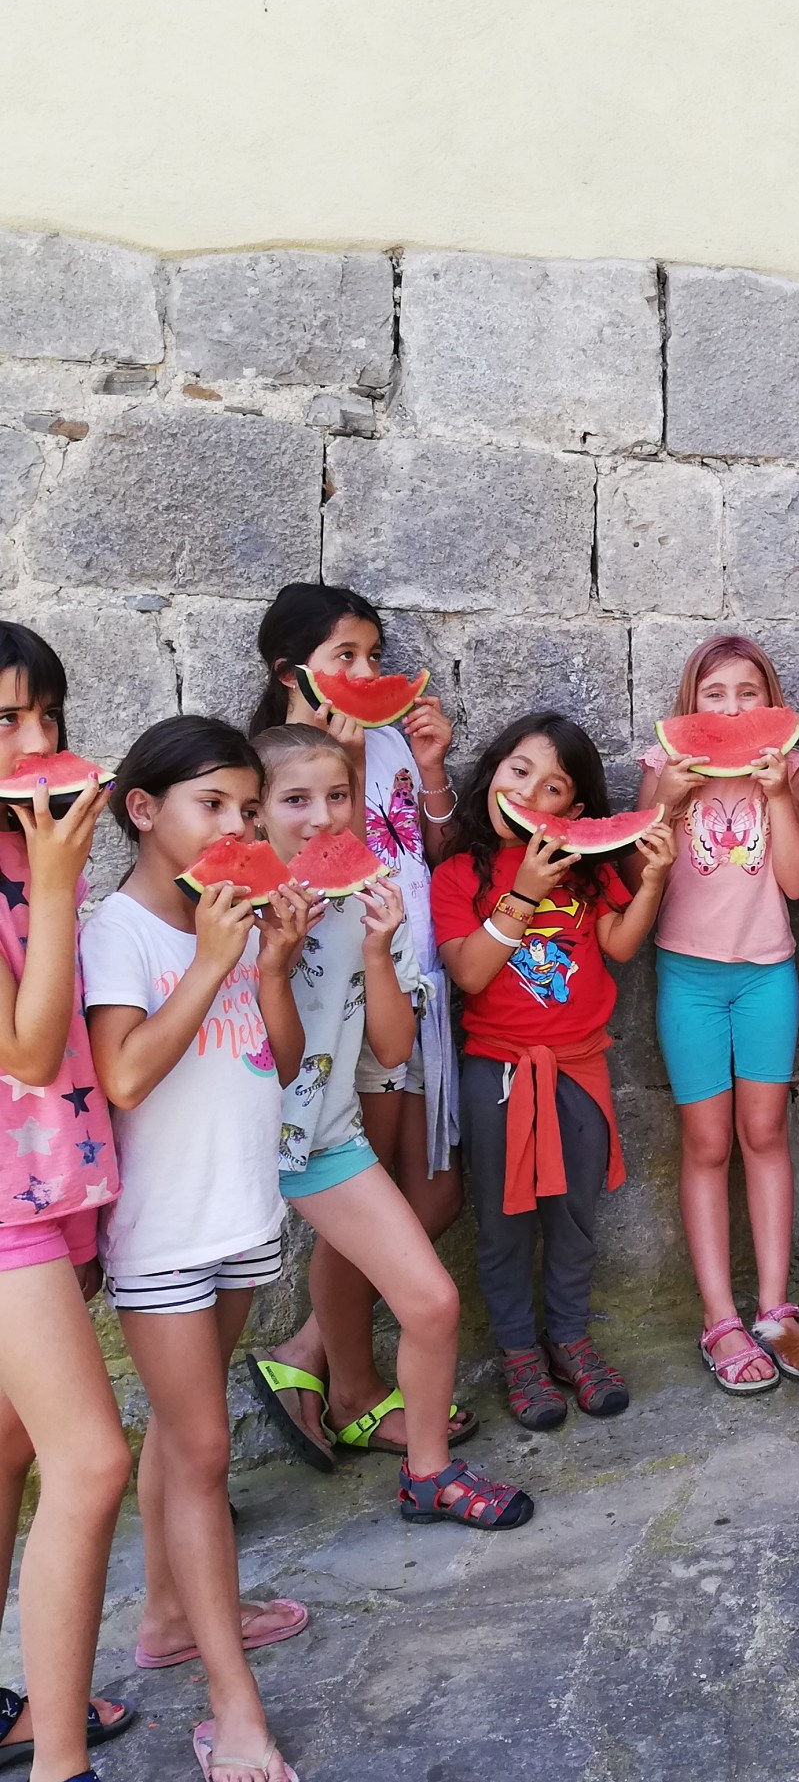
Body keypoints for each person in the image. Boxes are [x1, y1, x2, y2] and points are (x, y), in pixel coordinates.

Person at [81, 717, 314, 1782]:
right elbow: (125, 1075)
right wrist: (215, 959)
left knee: (189, 1439)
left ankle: (173, 1617)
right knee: (206, 1450)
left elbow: (282, 1058)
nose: (238, 826)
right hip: (166, 1235)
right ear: (143, 810)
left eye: (246, 809)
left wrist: (269, 965)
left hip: (242, 1215)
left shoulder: (232, 916)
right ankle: (232, 1702)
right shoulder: (119, 930)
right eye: (211, 805)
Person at [248, 725, 528, 1529]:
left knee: (433, 1304)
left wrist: (377, 949)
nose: (323, 816)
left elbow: (396, 1048)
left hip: (325, 1143)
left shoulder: (366, 902)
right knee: (192, 1367)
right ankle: (183, 1524)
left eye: (338, 796)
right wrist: (272, 959)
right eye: (296, 799)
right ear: (254, 812)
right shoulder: (226, 908)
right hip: (234, 1147)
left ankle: (428, 1475)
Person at [243, 582, 464, 1468]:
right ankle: (351, 1386)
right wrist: (351, 769)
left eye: (375, 657)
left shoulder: (389, 741)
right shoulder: (270, 775)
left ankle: (308, 1355)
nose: (367, 673)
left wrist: (429, 768)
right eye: (347, 657)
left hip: (400, 972)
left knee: (431, 1192)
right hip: (333, 1004)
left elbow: (422, 850)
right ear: (290, 672)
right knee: (375, 1191)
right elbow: (327, 858)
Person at [0, 625, 149, 1782]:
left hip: (53, 1189)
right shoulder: (37, 863)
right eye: (6, 720)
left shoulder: (23, 841)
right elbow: (30, 1049)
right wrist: (58, 885)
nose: (39, 742)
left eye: (48, 713)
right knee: (92, 1462)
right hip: (2, 1209)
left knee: (9, 1447)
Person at [431, 713, 673, 1430]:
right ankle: (518, 1354)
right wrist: (526, 891)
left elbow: (620, 946)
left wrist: (653, 882)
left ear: (576, 809)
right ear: (492, 772)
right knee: (503, 1225)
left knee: (575, 1218)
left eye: (554, 786)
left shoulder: (589, 871)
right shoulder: (456, 876)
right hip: (497, 1072)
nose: (531, 793)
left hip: (579, 1068)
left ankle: (569, 1340)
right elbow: (470, 972)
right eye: (519, 771)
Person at [641, 636, 799, 1393]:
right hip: (688, 978)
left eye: (749, 693)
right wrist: (667, 798)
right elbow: (635, 866)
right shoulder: (662, 765)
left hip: (768, 976)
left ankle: (775, 1309)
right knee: (707, 1143)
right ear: (691, 702)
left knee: (765, 1134)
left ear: (772, 704)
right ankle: (719, 1317)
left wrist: (778, 794)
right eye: (715, 694)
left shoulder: (789, 768)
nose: (733, 708)